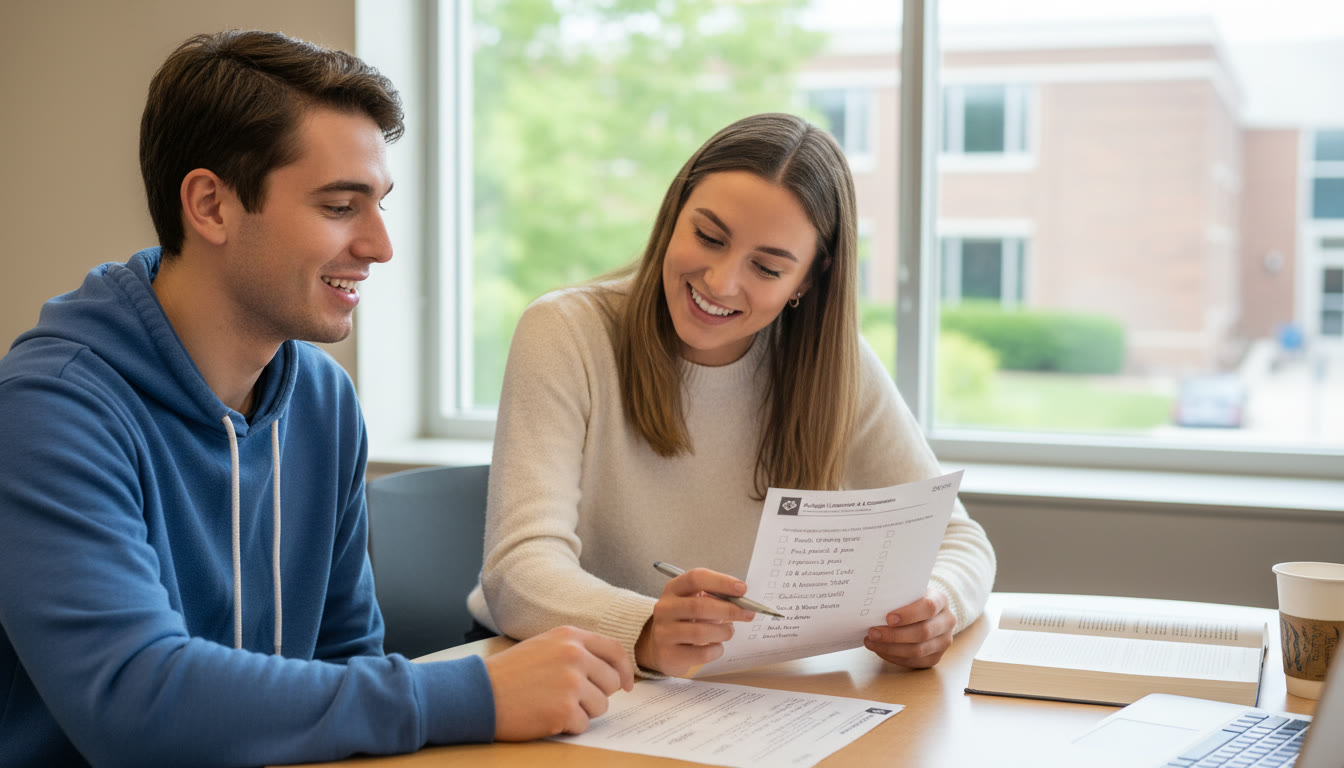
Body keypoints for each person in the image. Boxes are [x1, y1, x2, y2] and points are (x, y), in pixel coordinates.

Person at [0, 30, 631, 768]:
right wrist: (476, 693)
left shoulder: (323, 400)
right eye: (340, 206)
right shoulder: (49, 412)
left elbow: (343, 660)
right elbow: (134, 700)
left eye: (380, 205)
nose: (380, 246)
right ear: (210, 205)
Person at [468, 112, 996, 677]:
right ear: (673, 216)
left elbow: (960, 541)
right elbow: (518, 574)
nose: (720, 282)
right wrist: (646, 628)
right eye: (708, 236)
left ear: (808, 282)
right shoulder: (566, 332)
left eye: (767, 268)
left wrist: (938, 605)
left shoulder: (835, 367)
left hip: (744, 691)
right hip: (570, 671)